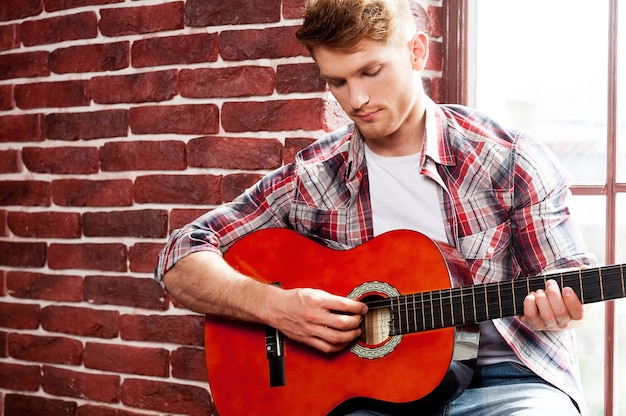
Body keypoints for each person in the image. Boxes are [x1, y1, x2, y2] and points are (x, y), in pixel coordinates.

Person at [155, 0, 596, 414]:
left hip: (507, 381)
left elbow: (565, 274)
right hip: (373, 396)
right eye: (337, 81)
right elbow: (179, 256)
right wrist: (276, 306)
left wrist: (563, 299)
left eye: (371, 71)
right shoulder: (314, 177)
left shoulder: (510, 158)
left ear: (417, 52)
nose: (356, 100)